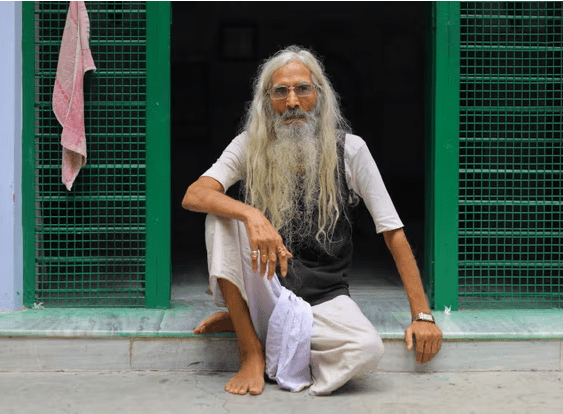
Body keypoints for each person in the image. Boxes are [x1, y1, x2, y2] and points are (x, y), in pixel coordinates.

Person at [182, 45, 442, 396]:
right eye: (281, 92)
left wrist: (422, 315)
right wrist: (251, 213)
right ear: (266, 101)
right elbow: (195, 194)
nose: (292, 102)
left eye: (302, 89)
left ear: (319, 95)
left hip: (325, 297)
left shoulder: (351, 150)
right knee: (221, 218)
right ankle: (251, 350)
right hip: (268, 284)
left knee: (367, 350)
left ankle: (254, 322)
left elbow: (392, 231)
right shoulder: (249, 145)